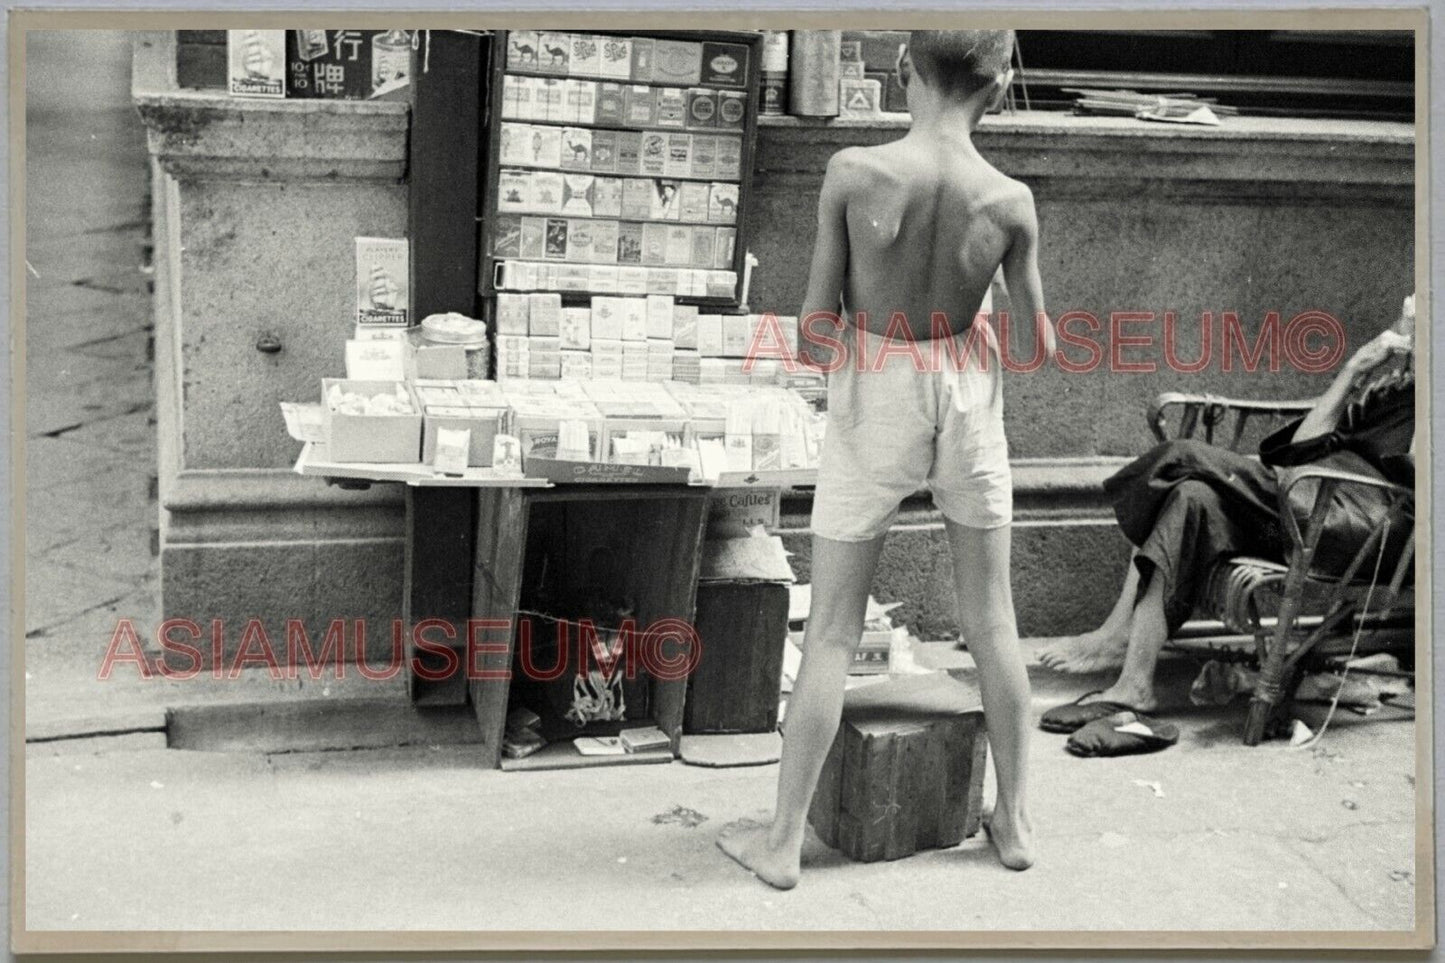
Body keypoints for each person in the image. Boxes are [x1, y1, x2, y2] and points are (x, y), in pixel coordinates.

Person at [717, 30, 1054, 889]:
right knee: (993, 623)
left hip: (877, 383)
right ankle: (1012, 823)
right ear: (1000, 81)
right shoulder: (1009, 199)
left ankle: (785, 841)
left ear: (903, 69)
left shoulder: (855, 172)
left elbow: (813, 329)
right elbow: (1036, 345)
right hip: (967, 391)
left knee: (830, 626)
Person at [1037, 297, 1415, 729]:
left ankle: (1116, 632)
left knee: (1180, 458)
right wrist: (1354, 370)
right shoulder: (1390, 393)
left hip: (1363, 530)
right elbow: (1300, 450)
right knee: (1191, 497)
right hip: (1306, 507)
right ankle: (1134, 684)